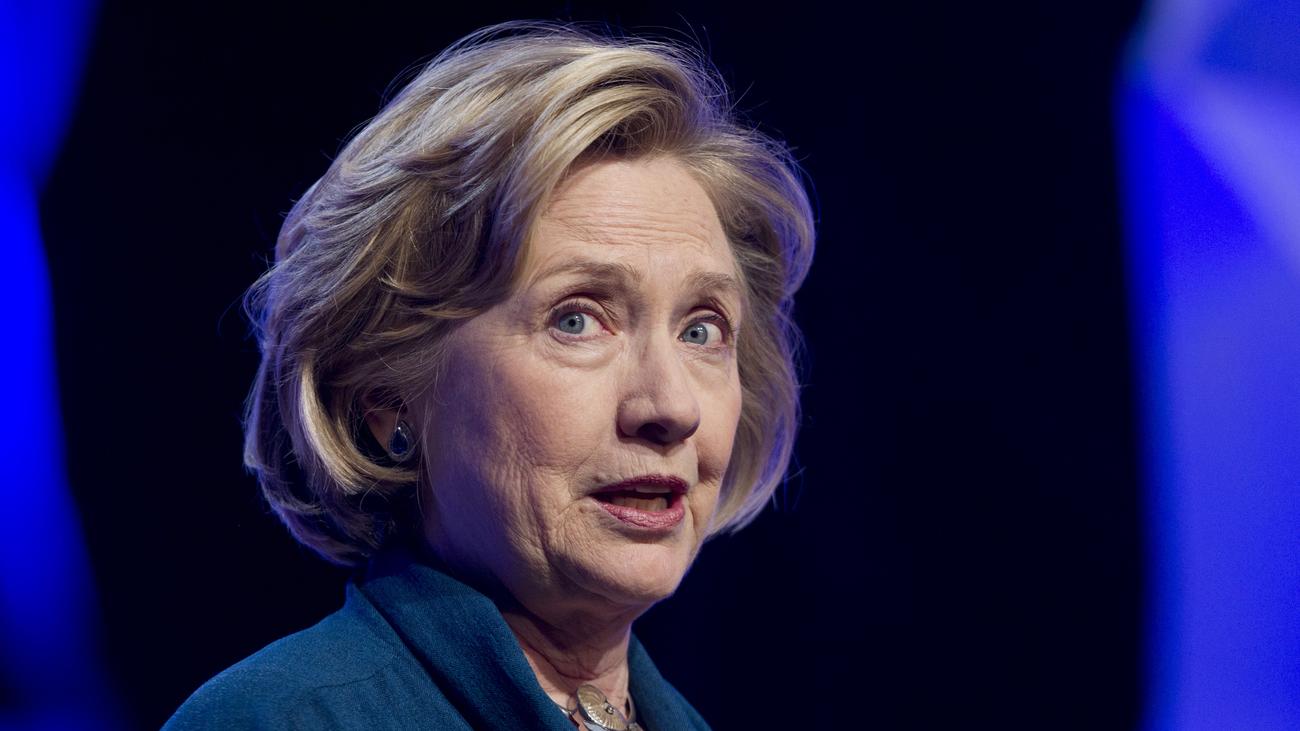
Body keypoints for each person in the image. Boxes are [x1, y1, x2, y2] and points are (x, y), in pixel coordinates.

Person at [165, 20, 814, 730]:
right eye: (577, 319)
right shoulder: (278, 719)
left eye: (701, 330)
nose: (672, 406)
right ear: (386, 397)